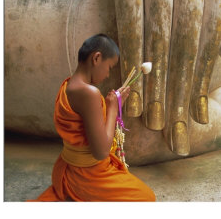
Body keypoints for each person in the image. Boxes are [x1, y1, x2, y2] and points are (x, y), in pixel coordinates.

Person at [30, 34, 156, 201]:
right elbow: (101, 152)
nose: (108, 74)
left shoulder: (68, 84)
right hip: (86, 175)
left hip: (67, 168)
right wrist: (112, 109)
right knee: (147, 197)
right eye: (109, 67)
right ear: (96, 58)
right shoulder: (89, 93)